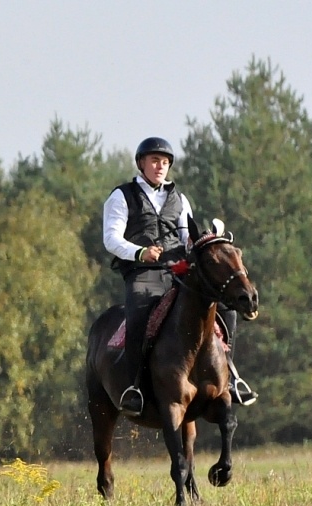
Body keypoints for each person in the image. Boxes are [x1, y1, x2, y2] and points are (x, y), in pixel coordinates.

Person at [102, 136, 255, 416]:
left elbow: (187, 239)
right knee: (138, 315)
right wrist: (140, 253)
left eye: (164, 161)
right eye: (154, 160)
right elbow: (111, 239)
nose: (160, 166)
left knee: (226, 309)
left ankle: (230, 378)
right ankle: (134, 387)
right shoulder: (121, 196)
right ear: (141, 164)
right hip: (142, 273)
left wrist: (209, 243)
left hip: (179, 272)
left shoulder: (179, 199)